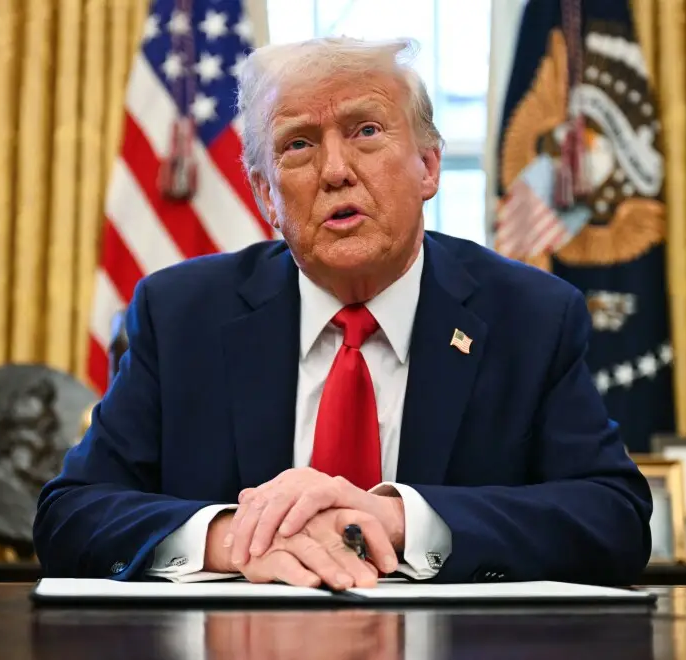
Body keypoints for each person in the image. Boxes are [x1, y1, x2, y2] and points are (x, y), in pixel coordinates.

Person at [33, 37, 653, 589]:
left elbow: (613, 518)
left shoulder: (530, 317)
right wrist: (235, 539)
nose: (335, 171)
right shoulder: (181, 315)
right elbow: (71, 512)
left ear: (429, 166)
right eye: (298, 145)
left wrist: (394, 519)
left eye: (366, 132)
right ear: (265, 195)